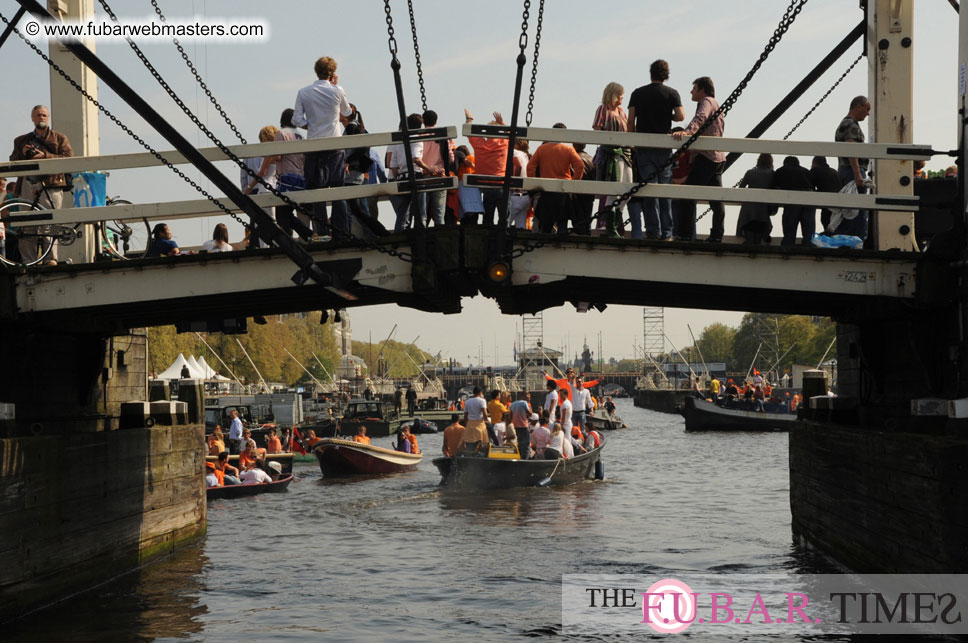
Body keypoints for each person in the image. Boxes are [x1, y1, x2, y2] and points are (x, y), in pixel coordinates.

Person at [292, 56, 353, 239]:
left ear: (316, 71)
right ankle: (342, 232)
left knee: (317, 192)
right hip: (335, 145)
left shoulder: (303, 92)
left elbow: (296, 119)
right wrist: (336, 86)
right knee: (338, 190)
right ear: (332, 73)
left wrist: (310, 125)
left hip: (315, 145)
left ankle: (323, 232)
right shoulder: (337, 90)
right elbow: (348, 112)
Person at [628, 60, 685, 240]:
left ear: (651, 73)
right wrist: (668, 114)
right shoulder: (672, 93)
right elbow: (681, 116)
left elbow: (630, 120)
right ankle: (667, 232)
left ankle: (654, 231)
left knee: (650, 191)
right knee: (664, 191)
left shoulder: (637, 93)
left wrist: (633, 140)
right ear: (666, 75)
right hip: (664, 148)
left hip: (644, 147)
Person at [10, 105, 73, 265]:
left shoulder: (59, 138)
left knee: (49, 222)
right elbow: (13, 161)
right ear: (32, 118)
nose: (41, 118)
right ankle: (28, 260)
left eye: (44, 115)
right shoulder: (21, 140)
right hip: (27, 183)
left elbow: (68, 158)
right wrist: (23, 153)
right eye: (38, 115)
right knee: (27, 224)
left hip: (51, 183)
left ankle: (50, 259)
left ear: (48, 117)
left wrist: (45, 156)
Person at [672, 77, 726, 242]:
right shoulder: (715, 103)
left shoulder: (706, 102)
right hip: (717, 157)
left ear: (702, 89)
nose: (691, 91)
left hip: (706, 157)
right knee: (716, 200)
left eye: (694, 88)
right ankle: (717, 235)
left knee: (688, 194)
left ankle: (685, 235)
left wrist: (687, 131)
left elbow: (701, 118)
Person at [527, 124, 585, 235]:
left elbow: (530, 167)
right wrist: (573, 181)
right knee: (563, 219)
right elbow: (580, 166)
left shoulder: (542, 149)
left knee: (545, 221)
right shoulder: (568, 149)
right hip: (563, 189)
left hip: (546, 189)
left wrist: (535, 183)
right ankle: (560, 240)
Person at [592, 82, 633, 237]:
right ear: (614, 94)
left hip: (625, 152)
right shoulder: (604, 109)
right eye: (620, 94)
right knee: (613, 190)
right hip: (611, 153)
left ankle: (616, 219)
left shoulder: (621, 111)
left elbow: (629, 131)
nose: (622, 97)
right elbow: (597, 128)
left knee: (628, 189)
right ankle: (610, 226)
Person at [833, 96, 872, 240]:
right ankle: (855, 242)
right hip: (853, 171)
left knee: (847, 209)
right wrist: (858, 175)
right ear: (858, 106)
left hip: (843, 170)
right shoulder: (852, 126)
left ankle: (843, 239)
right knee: (858, 211)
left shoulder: (843, 124)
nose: (868, 113)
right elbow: (852, 150)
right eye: (867, 109)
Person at [465, 109, 509, 224]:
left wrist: (469, 119)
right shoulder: (504, 143)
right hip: (502, 184)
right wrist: (502, 123)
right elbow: (512, 133)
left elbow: (469, 131)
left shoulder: (480, 144)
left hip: (486, 185)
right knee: (504, 219)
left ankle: (488, 239)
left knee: (487, 218)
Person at [421, 109, 454, 227]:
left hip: (423, 176)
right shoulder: (442, 136)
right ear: (436, 121)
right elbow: (451, 159)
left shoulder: (418, 135)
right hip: (440, 175)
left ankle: (421, 239)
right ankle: (441, 239)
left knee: (422, 214)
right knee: (439, 214)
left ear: (423, 120)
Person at [772, 156, 815, 246]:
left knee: (790, 226)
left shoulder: (781, 170)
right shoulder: (806, 171)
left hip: (793, 200)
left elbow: (775, 189)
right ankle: (808, 246)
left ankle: (788, 245)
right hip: (809, 199)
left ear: (786, 163)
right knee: (808, 227)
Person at [736, 153, 775, 245]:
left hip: (749, 205)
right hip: (763, 206)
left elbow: (741, 188)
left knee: (749, 226)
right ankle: (760, 241)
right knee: (760, 226)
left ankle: (750, 243)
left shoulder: (750, 172)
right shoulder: (772, 174)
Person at [809, 156, 842, 233]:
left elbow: (810, 185)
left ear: (814, 163)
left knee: (825, 220)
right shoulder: (834, 171)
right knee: (834, 222)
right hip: (837, 200)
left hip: (826, 201)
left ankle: (828, 239)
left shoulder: (815, 171)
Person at [509, 139, 533, 229]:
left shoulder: (514, 152)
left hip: (515, 195)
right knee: (521, 226)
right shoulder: (525, 155)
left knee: (504, 224)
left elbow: (518, 166)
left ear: (517, 145)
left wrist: (515, 184)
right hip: (526, 196)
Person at [460, 386, 489, 452]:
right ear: (480, 393)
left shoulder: (467, 401)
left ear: (473, 393)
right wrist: (486, 420)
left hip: (470, 424)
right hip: (480, 424)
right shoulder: (482, 401)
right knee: (482, 443)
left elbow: (465, 415)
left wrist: (466, 423)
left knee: (469, 443)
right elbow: (485, 413)